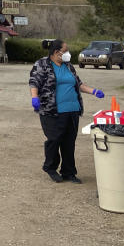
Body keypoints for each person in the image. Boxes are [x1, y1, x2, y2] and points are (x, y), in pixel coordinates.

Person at [29, 39, 105, 183]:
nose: (68, 53)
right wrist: (34, 98)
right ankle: (50, 167)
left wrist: (94, 91)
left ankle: (68, 172)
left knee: (69, 142)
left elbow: (79, 84)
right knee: (54, 140)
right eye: (66, 50)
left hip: (72, 110)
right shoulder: (42, 64)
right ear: (57, 52)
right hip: (52, 111)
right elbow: (34, 82)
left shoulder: (68, 66)